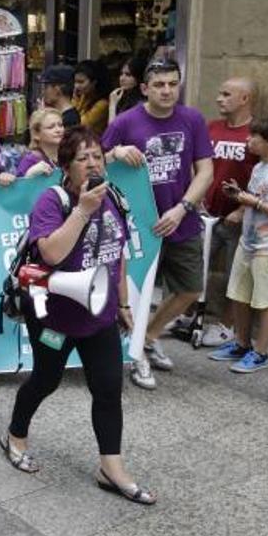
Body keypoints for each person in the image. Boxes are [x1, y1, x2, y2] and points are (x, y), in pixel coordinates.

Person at [2, 127, 156, 506]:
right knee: (45, 379)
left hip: (98, 314)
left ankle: (111, 468)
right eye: (82, 158)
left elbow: (115, 254)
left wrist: (121, 304)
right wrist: (84, 210)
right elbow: (51, 254)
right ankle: (15, 436)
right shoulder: (51, 202)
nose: (92, 164)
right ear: (65, 167)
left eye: (97, 157)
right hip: (54, 316)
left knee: (108, 388)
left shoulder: (112, 197)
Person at [104, 58, 214, 390]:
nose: (167, 90)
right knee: (134, 293)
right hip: (138, 225)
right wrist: (116, 153)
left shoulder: (192, 119)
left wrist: (183, 208)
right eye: (159, 84)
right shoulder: (125, 122)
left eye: (172, 83)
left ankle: (149, 335)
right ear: (145, 89)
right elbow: (94, 163)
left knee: (191, 288)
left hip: (180, 218)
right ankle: (134, 354)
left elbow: (206, 171)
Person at [207, 115, 268, 373]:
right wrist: (240, 195)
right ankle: (241, 343)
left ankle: (260, 353)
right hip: (249, 242)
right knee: (239, 294)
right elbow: (257, 198)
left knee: (265, 300)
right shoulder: (259, 168)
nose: (248, 140)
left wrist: (254, 203)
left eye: (253, 137)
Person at [199, 78, 259, 348]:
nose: (219, 99)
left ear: (244, 98)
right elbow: (197, 165)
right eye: (219, 93)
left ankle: (227, 326)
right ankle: (186, 315)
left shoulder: (257, 134)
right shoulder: (210, 128)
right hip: (206, 214)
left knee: (236, 276)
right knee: (192, 268)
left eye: (226, 94)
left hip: (238, 220)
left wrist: (244, 208)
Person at [16, 108, 65, 178]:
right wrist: (29, 174)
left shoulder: (66, 155)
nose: (58, 130)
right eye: (51, 127)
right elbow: (20, 187)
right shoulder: (30, 160)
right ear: (36, 134)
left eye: (60, 125)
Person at [73, 60, 111, 135]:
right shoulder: (83, 96)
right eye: (75, 82)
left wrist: (75, 99)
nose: (76, 86)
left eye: (81, 82)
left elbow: (78, 124)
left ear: (94, 82)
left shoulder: (103, 104)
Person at [39, 64, 81, 129]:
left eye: (46, 87)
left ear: (57, 89)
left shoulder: (69, 121)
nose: (43, 92)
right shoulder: (63, 116)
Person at [109, 56, 148, 124]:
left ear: (138, 77)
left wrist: (112, 105)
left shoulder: (139, 105)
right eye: (121, 74)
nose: (122, 79)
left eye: (128, 75)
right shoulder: (124, 97)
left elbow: (113, 131)